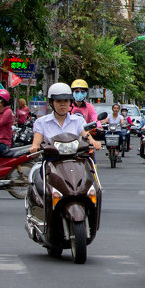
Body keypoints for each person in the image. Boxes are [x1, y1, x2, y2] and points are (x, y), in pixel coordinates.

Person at [28, 83, 102, 214]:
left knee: (91, 187)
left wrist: (94, 142)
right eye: (59, 101)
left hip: (76, 163)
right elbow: (37, 141)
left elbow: (86, 136)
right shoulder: (42, 122)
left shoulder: (78, 121)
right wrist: (34, 147)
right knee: (42, 188)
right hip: (51, 164)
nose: (63, 105)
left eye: (66, 101)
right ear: (51, 103)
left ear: (70, 103)